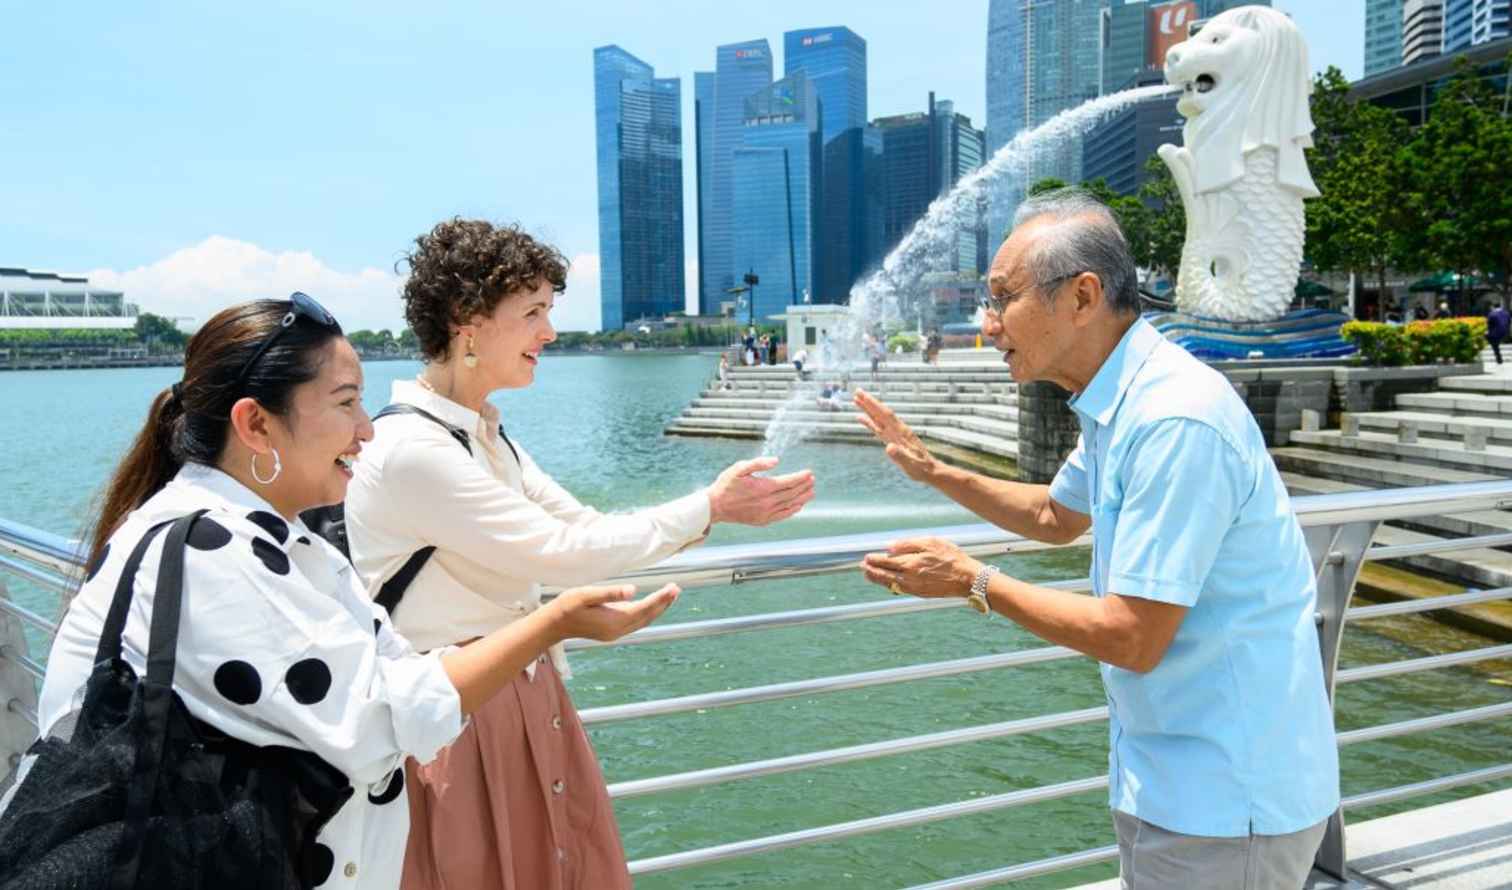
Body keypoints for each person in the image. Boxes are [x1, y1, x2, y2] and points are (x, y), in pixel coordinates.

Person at [29, 296, 675, 889]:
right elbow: (376, 724)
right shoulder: (212, 556)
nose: (366, 430)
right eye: (345, 403)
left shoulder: (276, 543)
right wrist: (554, 622)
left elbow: (396, 673)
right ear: (255, 425)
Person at [854, 191, 1338, 890]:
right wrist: (934, 471)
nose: (987, 326)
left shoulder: (1175, 419)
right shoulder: (1120, 402)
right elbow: (1055, 514)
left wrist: (972, 582)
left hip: (1230, 801)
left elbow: (1133, 636)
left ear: (1082, 297)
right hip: (1172, 780)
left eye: (1002, 299)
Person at [344, 219, 815, 890]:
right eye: (532, 312)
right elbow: (560, 552)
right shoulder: (414, 452)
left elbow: (584, 528)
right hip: (456, 725)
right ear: (466, 322)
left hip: (520, 705)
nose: (550, 333)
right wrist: (709, 506)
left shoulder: (483, 436)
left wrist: (712, 508)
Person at [1488, 301, 1510, 365]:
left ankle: (1499, 358)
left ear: (1492, 307)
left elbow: (1489, 324)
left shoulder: (1492, 314)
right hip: (1505, 331)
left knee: (1494, 343)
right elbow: (1508, 322)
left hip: (1495, 333)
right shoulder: (1506, 313)